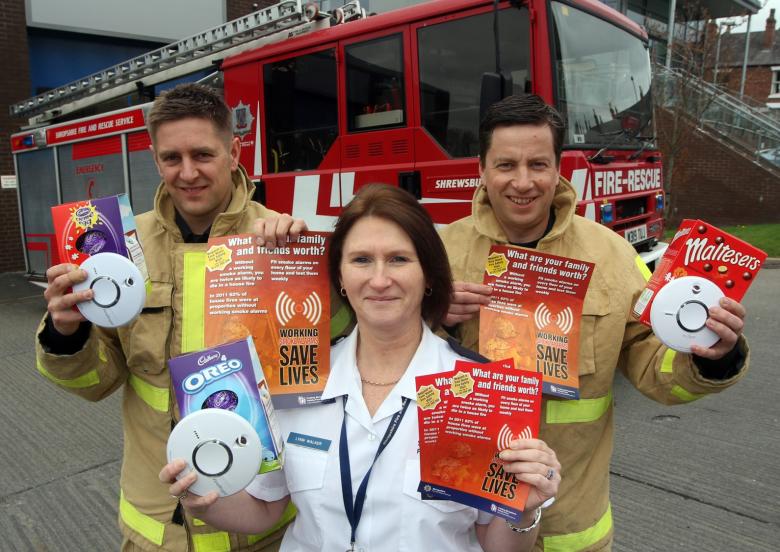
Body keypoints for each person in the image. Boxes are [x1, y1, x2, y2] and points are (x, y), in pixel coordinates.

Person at [160, 183, 562, 551]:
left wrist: (524, 510)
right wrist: (203, 501)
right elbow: (264, 508)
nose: (380, 279)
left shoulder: (480, 389)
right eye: (362, 260)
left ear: (428, 277)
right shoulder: (295, 380)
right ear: (340, 277)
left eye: (399, 259)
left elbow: (496, 544)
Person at [439, 94, 750, 551]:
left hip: (569, 525)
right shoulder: (436, 253)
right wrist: (429, 317)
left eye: (538, 164)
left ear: (559, 168)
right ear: (481, 169)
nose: (523, 182)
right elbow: (377, 358)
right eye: (506, 165)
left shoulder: (612, 255)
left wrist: (715, 356)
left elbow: (651, 361)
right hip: (457, 520)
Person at [36, 83, 308, 551]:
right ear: (153, 157)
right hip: (156, 526)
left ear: (235, 150)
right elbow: (99, 380)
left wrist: (313, 271)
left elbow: (332, 369)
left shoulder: (280, 240)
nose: (187, 173)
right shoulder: (117, 245)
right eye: (171, 158)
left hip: (260, 526)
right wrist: (67, 333)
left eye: (203, 154)